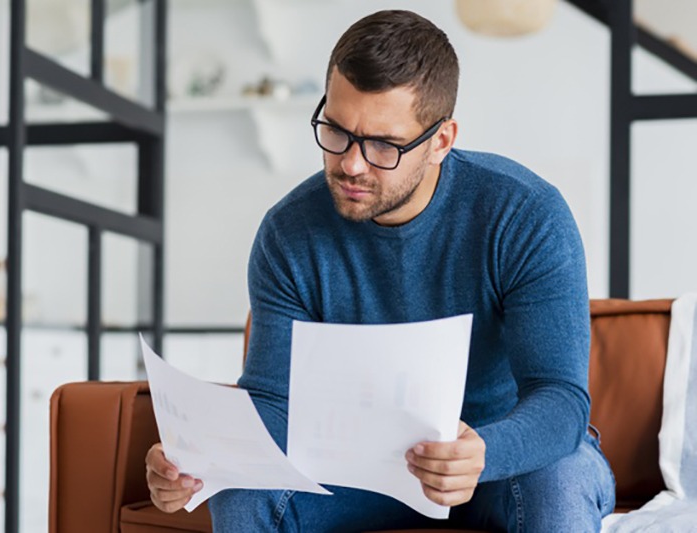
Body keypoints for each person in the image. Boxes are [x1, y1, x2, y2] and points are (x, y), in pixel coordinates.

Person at [146, 9, 615, 532]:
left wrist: (483, 451)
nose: (350, 163)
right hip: (353, 473)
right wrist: (200, 460)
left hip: (496, 461)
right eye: (337, 130)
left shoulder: (525, 214)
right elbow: (274, 403)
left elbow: (560, 399)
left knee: (562, 480)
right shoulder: (288, 234)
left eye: (383, 145)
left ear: (441, 140)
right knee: (240, 492)